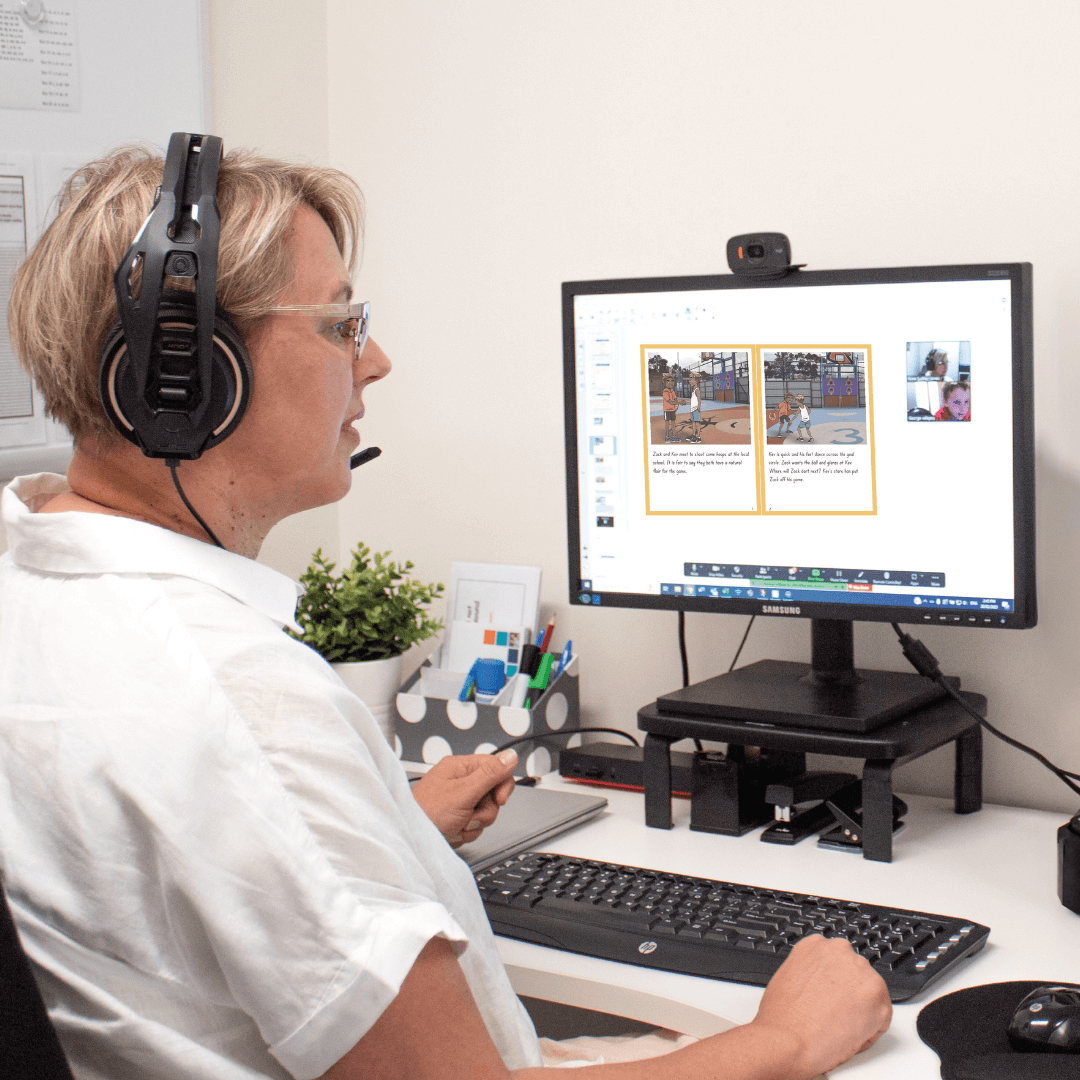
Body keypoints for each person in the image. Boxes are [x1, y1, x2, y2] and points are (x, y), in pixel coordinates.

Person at [2, 144, 891, 1079]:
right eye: (343, 324)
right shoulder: (240, 702)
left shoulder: (39, 597)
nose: (376, 361)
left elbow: (153, 888)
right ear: (189, 373)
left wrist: (388, 830)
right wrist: (788, 1038)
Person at [661, 373, 679, 442]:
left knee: (673, 424)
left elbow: (675, 400)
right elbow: (671, 402)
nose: (670, 383)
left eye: (672, 381)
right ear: (664, 382)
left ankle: (674, 436)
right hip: (667, 410)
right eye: (668, 381)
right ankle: (667, 437)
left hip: (672, 410)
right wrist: (677, 403)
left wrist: (676, 406)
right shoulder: (664, 393)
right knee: (667, 424)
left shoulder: (672, 391)